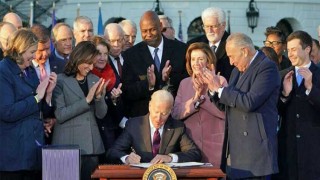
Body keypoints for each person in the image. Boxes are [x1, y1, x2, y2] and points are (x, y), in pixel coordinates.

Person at [207, 33, 280, 179]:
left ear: (245, 51)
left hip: (255, 154)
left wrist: (221, 90)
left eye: (232, 56)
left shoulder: (267, 68)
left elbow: (249, 102)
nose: (231, 62)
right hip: (235, 152)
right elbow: (228, 106)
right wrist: (213, 90)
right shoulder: (236, 71)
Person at [0, 29, 56, 180]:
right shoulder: (3, 71)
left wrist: (48, 93)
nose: (34, 57)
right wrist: (37, 97)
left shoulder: (30, 70)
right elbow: (7, 112)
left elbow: (39, 109)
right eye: (32, 51)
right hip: (13, 159)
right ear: (20, 49)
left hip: (33, 154)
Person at [52, 41, 107, 180]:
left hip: (90, 146)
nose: (91, 67)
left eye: (93, 64)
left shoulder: (95, 80)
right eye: (88, 63)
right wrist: (87, 100)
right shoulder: (60, 81)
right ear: (78, 58)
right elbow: (60, 114)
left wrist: (99, 98)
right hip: (66, 146)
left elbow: (101, 115)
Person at [122, 10, 188, 118]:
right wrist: (149, 84)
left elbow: (187, 83)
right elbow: (128, 91)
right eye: (144, 31)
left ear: (161, 26)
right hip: (144, 120)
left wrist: (168, 80)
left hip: (175, 117)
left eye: (152, 29)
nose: (148, 34)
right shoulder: (131, 55)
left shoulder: (181, 50)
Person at [107, 90, 201, 164]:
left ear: (170, 111)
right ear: (149, 106)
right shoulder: (134, 125)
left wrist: (170, 158)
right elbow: (113, 152)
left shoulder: (177, 128)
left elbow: (195, 153)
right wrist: (126, 158)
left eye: (164, 114)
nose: (158, 118)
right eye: (156, 112)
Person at [171, 42, 225, 167]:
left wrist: (203, 96)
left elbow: (224, 112)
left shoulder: (220, 80)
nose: (196, 63)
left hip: (215, 145)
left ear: (208, 61)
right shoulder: (184, 83)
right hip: (190, 146)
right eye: (193, 59)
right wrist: (195, 100)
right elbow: (176, 113)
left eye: (200, 59)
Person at [276, 30, 320, 180]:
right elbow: (276, 111)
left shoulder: (319, 74)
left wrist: (311, 89)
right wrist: (285, 95)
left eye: (294, 49)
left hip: (313, 150)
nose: (290, 54)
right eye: (288, 50)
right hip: (288, 149)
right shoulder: (283, 75)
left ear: (307, 49)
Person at [91, 36, 124, 163]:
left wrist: (114, 100)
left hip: (110, 133)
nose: (103, 58)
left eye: (105, 54)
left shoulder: (113, 75)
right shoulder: (86, 75)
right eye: (99, 54)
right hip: (94, 132)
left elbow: (119, 112)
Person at [187, 7, 234, 81]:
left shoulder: (233, 44)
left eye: (213, 26)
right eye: (206, 26)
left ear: (223, 26)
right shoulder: (193, 44)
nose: (210, 30)